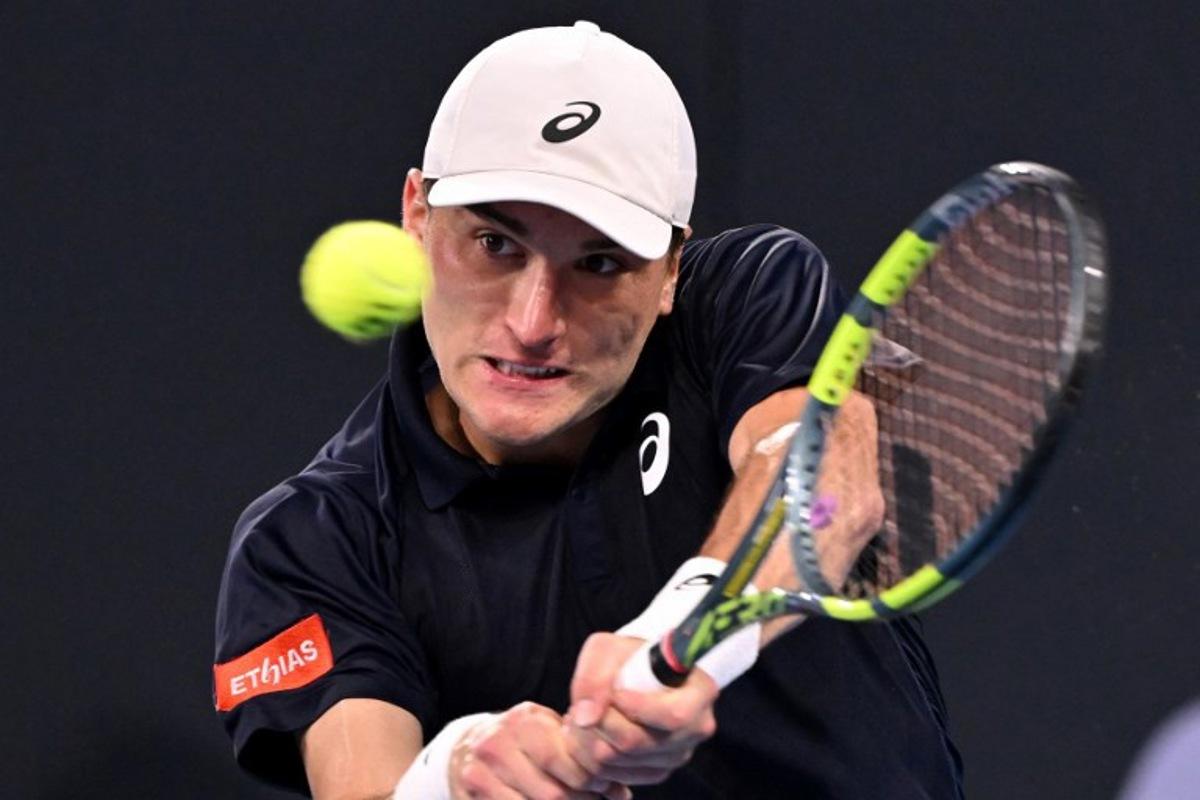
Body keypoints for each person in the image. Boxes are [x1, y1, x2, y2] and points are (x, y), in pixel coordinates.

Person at [214, 21, 964, 799]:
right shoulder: (310, 540)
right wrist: (457, 771)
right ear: (416, 214)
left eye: (599, 263)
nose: (534, 322)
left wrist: (681, 638)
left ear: (672, 269)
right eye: (495, 245)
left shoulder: (744, 297)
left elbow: (827, 489)